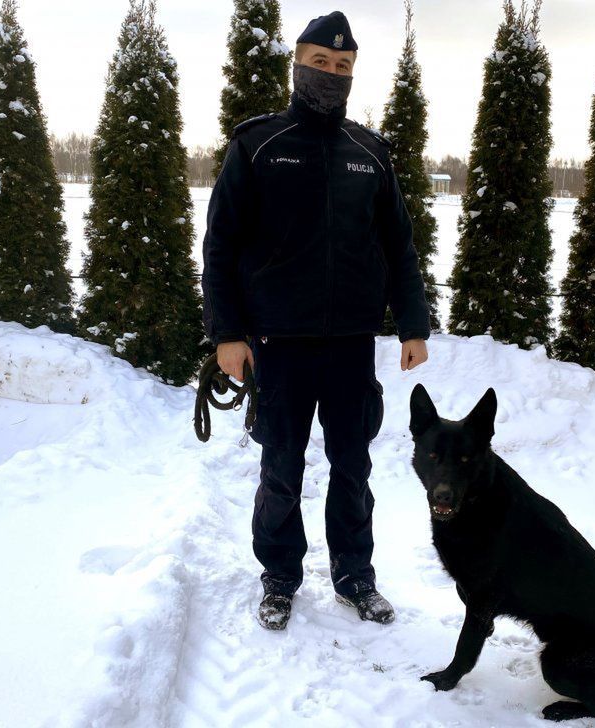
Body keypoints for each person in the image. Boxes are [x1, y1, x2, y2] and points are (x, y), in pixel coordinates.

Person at [201, 10, 431, 631]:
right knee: (282, 464)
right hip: (277, 341)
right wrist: (226, 334)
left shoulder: (370, 153)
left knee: (353, 464)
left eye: (344, 67)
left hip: (352, 343)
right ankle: (279, 576)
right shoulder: (258, 144)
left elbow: (399, 246)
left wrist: (413, 325)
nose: (331, 74)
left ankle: (356, 576)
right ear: (297, 64)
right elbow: (220, 244)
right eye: (321, 62)